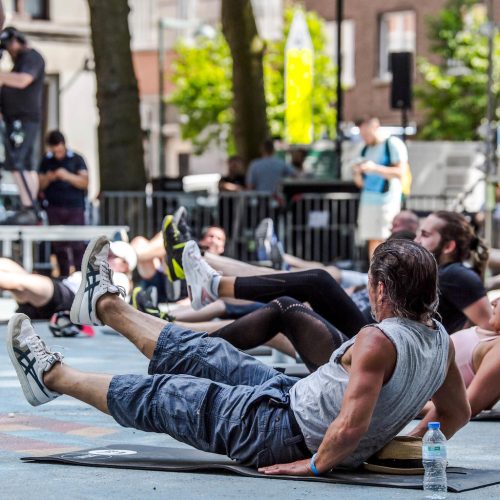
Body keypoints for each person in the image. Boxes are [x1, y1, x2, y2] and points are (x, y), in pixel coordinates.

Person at [7, 236, 470, 473]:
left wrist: (315, 464)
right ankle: (108, 306)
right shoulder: (440, 341)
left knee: (167, 396)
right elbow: (457, 411)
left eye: (370, 283)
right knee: (205, 353)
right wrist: (406, 445)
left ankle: (50, 375)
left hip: (281, 432)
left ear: (382, 288)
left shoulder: (379, 340)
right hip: (291, 398)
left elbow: (351, 425)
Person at [0, 240, 135, 323]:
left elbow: (108, 304)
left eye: (112, 256)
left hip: (67, 300)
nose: (106, 257)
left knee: (16, 282)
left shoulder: (121, 279)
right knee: (6, 265)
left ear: (125, 265)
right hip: (60, 291)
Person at [421, 297, 500, 419]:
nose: (493, 302)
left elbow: (466, 407)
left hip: (406, 392)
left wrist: (402, 409)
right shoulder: (491, 337)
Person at [416, 211, 491, 333]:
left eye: (425, 235)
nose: (416, 240)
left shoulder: (454, 274)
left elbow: (490, 328)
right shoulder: (443, 274)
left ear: (448, 247)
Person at [0, 26, 45, 224]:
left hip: (23, 119)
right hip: (15, 119)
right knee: (23, 163)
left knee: (18, 162)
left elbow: (22, 81)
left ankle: (29, 207)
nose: (8, 51)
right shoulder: (19, 62)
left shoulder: (32, 58)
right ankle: (28, 205)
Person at [353, 117, 408, 258]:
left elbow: (400, 172)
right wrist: (357, 173)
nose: (363, 138)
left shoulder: (392, 144)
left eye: (366, 134)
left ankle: (387, 272)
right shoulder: (364, 148)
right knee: (372, 239)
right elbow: (360, 183)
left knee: (387, 239)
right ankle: (375, 272)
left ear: (375, 127)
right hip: (368, 199)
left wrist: (375, 168)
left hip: (386, 200)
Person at [38, 130, 89, 276]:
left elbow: (84, 182)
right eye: (55, 151)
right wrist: (50, 177)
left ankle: (81, 275)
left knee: (77, 244)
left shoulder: (77, 159)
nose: (58, 154)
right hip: (54, 208)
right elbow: (39, 184)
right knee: (60, 246)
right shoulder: (46, 161)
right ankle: (64, 276)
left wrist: (66, 176)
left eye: (60, 151)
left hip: (75, 208)